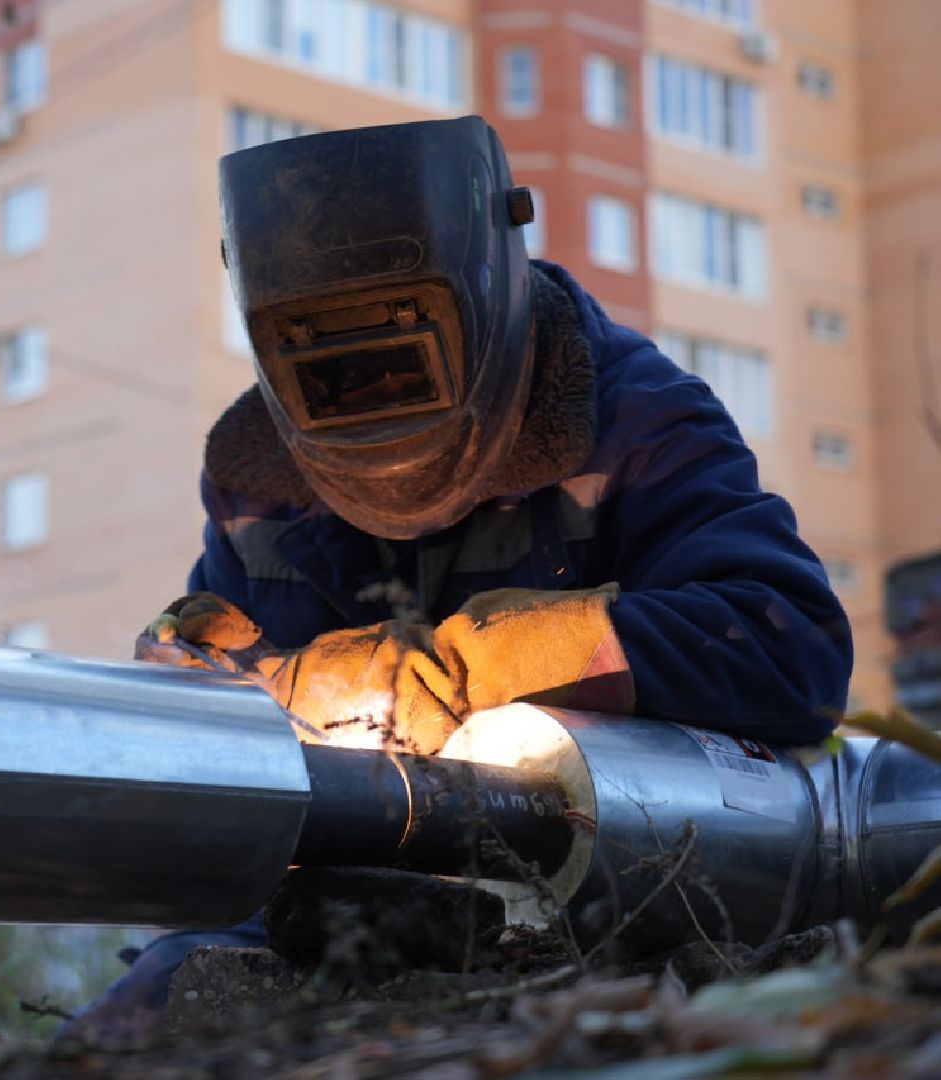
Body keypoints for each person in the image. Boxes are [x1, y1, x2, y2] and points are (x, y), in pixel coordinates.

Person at [63, 116, 852, 1047]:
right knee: (128, 1031)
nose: (378, 399)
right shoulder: (257, 478)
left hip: (607, 891)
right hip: (334, 901)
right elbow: (234, 744)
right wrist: (207, 691)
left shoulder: (633, 418)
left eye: (401, 353)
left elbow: (787, 647)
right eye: (338, 374)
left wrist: (486, 665)